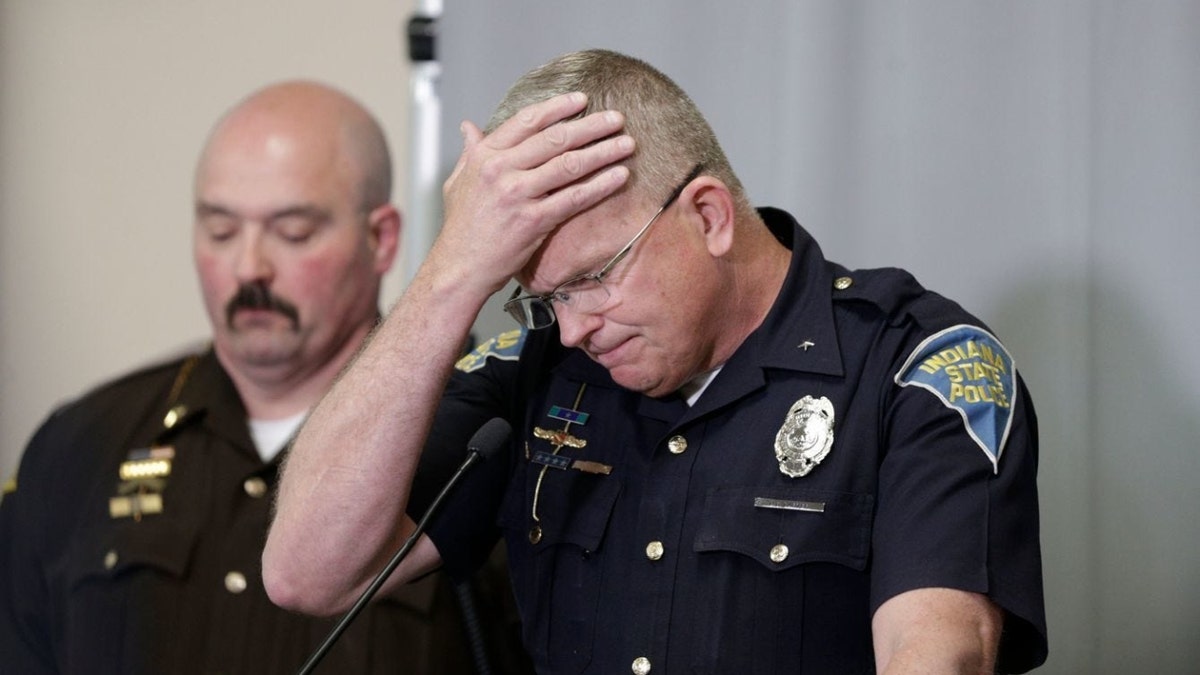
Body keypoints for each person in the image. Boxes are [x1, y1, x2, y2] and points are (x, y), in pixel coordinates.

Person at [265, 50, 1048, 674]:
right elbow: (308, 573)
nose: (571, 330)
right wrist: (450, 272)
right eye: (542, 298)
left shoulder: (915, 369)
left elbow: (937, 653)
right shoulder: (534, 372)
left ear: (706, 215)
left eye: (592, 280)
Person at [0, 81, 530, 674]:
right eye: (221, 230)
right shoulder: (82, 444)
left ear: (380, 240)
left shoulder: (484, 442)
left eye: (292, 232)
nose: (249, 267)